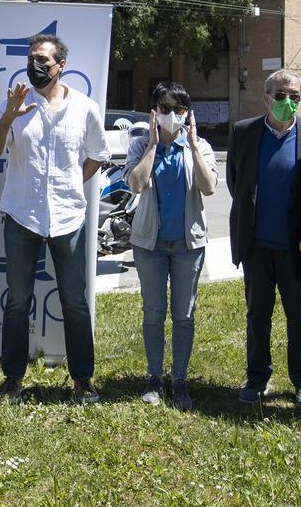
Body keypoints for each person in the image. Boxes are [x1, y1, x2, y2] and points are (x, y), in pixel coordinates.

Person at [0, 34, 110, 404]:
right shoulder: (16, 105)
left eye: (43, 60)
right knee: (18, 301)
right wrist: (8, 116)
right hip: (22, 216)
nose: (35, 66)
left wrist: (70, 183)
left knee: (75, 301)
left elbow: (97, 155)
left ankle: (83, 380)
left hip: (68, 217)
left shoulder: (84, 107)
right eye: (31, 58)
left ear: (60, 66)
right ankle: (13, 380)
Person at [226, 69, 301, 407]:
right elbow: (235, 182)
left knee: (299, 315)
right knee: (257, 315)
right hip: (256, 245)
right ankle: (257, 378)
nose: (288, 101)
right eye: (282, 95)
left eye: (295, 96)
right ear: (266, 97)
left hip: (295, 247)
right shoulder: (244, 133)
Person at [125, 82, 217, 411]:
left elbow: (209, 188)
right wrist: (152, 144)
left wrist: (191, 146)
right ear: (154, 113)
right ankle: (153, 379)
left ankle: (179, 380)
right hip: (149, 244)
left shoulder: (199, 146)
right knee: (153, 313)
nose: (172, 116)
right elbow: (135, 184)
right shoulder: (139, 145)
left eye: (178, 110)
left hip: (187, 245)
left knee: (184, 315)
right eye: (164, 109)